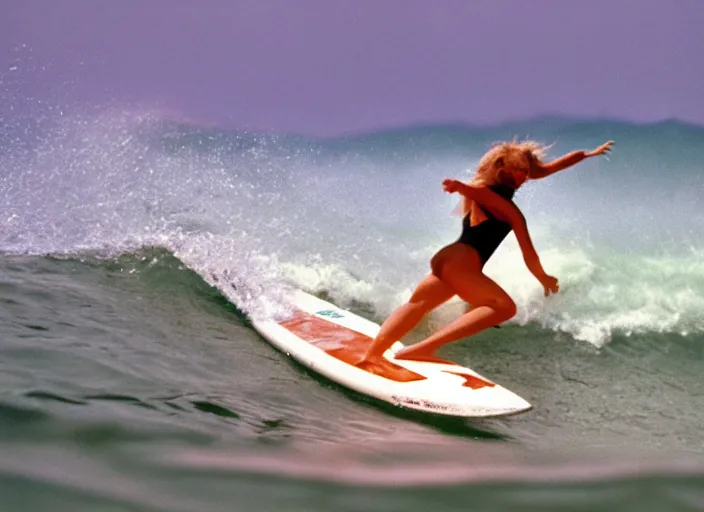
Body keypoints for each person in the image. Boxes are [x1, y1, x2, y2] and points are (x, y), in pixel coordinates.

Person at [355, 139, 614, 371]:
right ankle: (420, 350)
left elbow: (550, 168)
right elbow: (527, 252)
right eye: (519, 170)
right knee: (503, 307)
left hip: (447, 259)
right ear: (502, 168)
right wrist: (459, 187)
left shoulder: (499, 196)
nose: (524, 176)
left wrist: (588, 154)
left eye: (526, 171)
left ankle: (372, 355)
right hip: (462, 264)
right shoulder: (501, 204)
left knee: (416, 305)